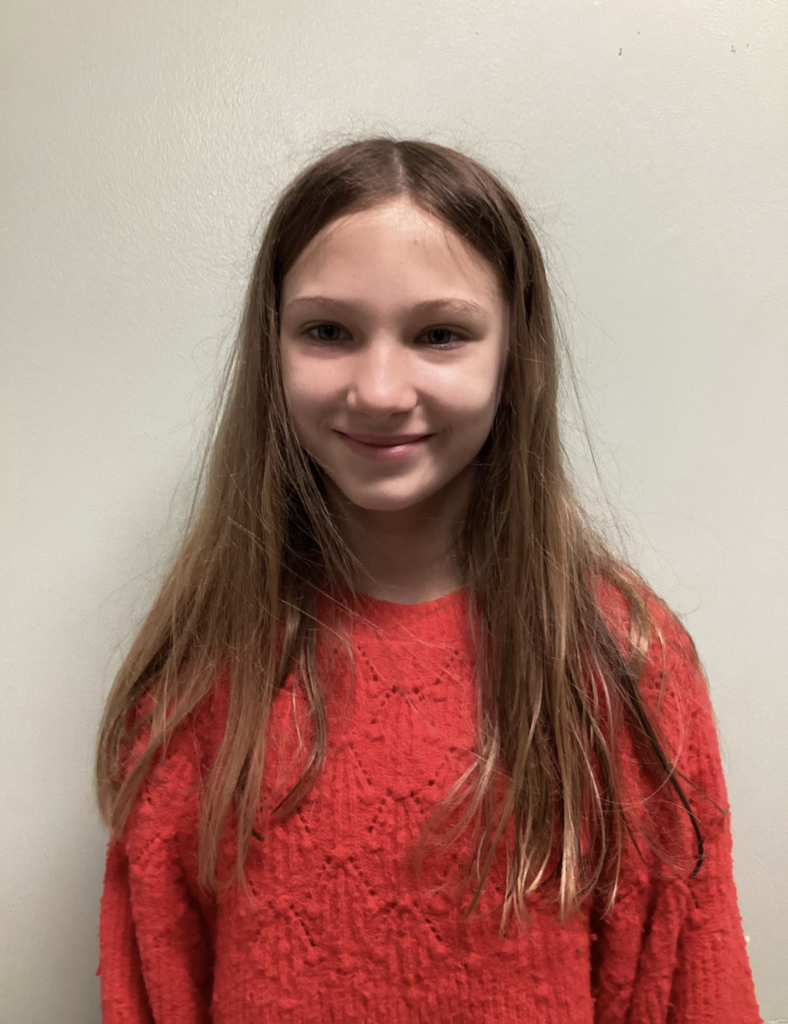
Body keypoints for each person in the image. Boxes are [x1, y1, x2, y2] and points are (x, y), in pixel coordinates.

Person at [95, 136, 762, 1023]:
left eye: (439, 334)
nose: (379, 389)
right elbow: (149, 988)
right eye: (328, 332)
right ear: (273, 348)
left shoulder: (622, 660)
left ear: (513, 353)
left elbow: (691, 987)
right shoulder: (199, 675)